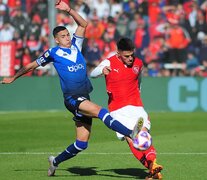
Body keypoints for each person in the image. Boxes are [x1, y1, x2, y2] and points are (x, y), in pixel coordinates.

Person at [0, 1, 139, 177]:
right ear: (56, 39)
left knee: (81, 143)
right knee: (100, 111)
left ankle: (55, 162)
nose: (67, 37)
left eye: (67, 34)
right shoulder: (52, 53)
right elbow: (31, 66)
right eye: (63, 36)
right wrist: (14, 76)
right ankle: (131, 133)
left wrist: (69, 10)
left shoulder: (76, 45)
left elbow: (83, 24)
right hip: (73, 98)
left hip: (84, 95)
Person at [90, 37, 163, 179]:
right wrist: (101, 71)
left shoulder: (139, 63)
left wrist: (138, 93)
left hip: (136, 107)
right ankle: (153, 168)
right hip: (117, 110)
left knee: (143, 135)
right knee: (131, 139)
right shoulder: (109, 62)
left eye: (132, 55)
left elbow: (138, 81)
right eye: (126, 56)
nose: (130, 58)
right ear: (118, 54)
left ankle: (153, 165)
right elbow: (92, 74)